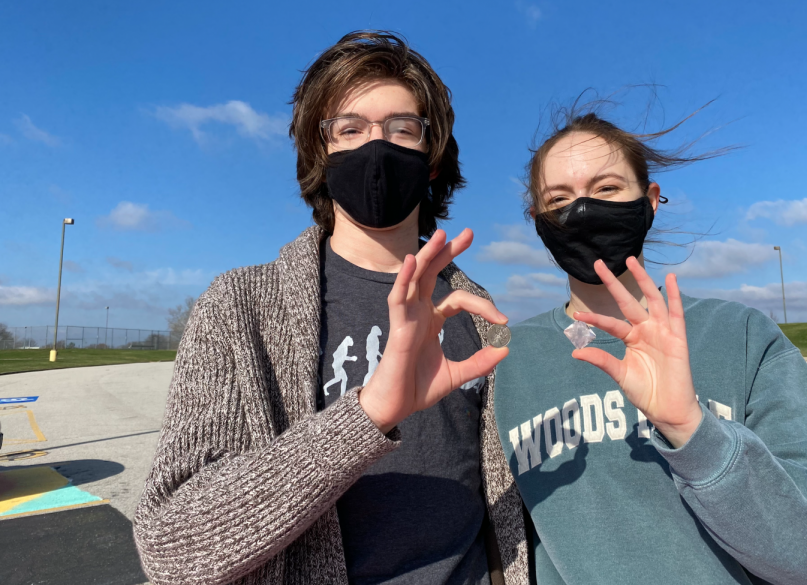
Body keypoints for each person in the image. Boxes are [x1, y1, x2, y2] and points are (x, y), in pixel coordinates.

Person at [133, 31, 531, 585]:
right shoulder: (239, 309)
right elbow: (173, 548)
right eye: (349, 128)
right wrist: (366, 417)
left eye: (402, 128)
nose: (376, 146)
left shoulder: (476, 313)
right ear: (320, 154)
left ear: (432, 158)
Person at [492, 109, 807, 585]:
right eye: (558, 199)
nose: (581, 211)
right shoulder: (506, 360)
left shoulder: (742, 335)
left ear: (649, 200)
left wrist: (693, 430)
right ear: (538, 222)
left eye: (606, 189)